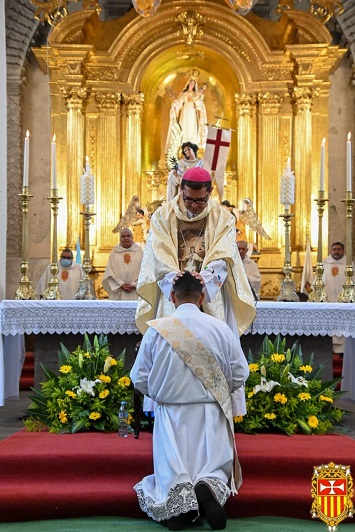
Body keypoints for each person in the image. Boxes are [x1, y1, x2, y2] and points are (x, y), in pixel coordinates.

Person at [131, 272, 250, 531]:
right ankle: (207, 484)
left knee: (173, 466)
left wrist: (163, 392)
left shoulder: (157, 330)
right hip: (211, 411)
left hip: (171, 413)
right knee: (212, 463)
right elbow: (241, 371)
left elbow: (138, 377)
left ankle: (178, 503)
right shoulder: (221, 328)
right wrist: (218, 389)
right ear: (202, 296)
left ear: (172, 297)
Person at [136, 166, 256, 338]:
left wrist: (205, 279)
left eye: (200, 200)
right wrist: (174, 277)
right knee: (172, 341)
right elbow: (159, 253)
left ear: (210, 192)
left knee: (211, 342)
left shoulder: (223, 218)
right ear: (181, 189)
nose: (194, 205)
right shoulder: (162, 216)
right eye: (189, 199)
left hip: (209, 291)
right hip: (174, 288)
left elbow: (223, 255)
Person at [322, 241, 348, 353]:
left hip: (344, 304)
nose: (336, 251)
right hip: (328, 302)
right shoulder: (325, 264)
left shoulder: (349, 264)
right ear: (331, 250)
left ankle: (342, 351)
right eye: (334, 249)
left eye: (339, 249)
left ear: (343, 251)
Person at [102, 229, 143, 300]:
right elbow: (109, 271)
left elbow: (145, 271)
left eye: (128, 236)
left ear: (132, 238)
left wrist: (135, 284)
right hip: (119, 290)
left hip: (136, 291)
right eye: (123, 236)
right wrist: (120, 284)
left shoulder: (140, 252)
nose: (126, 238)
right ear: (120, 239)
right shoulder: (114, 253)